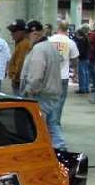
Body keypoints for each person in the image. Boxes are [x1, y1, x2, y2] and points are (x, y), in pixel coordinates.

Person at [19, 20, 66, 150]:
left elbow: (36, 75)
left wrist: (29, 91)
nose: (28, 38)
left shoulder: (39, 49)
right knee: (52, 124)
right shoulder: (50, 47)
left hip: (41, 94)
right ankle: (59, 148)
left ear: (34, 34)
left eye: (28, 35)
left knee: (39, 126)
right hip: (53, 92)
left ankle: (53, 150)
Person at [49, 22, 80, 126]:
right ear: (67, 29)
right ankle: (55, 123)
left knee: (48, 100)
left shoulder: (49, 40)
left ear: (57, 28)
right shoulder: (70, 42)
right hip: (63, 76)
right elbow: (75, 60)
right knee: (60, 101)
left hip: (49, 76)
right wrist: (75, 73)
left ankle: (48, 123)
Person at [6, 19, 32, 95]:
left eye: (14, 31)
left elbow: (21, 64)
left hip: (19, 82)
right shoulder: (20, 42)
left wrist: (15, 78)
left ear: (22, 32)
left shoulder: (24, 44)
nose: (11, 34)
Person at [74, 28, 90, 94]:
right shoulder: (86, 39)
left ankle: (82, 89)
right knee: (86, 73)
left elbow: (80, 51)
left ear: (78, 34)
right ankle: (86, 88)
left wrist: (77, 56)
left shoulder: (81, 41)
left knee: (82, 74)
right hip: (86, 58)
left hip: (82, 59)